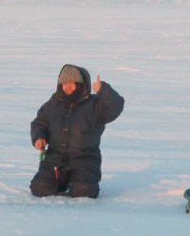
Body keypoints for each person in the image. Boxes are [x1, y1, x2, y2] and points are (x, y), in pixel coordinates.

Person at [30, 64, 124, 198]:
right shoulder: (53, 104)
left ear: (81, 84)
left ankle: (76, 182)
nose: (67, 87)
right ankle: (61, 182)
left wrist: (103, 90)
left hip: (85, 160)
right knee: (41, 188)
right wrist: (38, 137)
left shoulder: (94, 105)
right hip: (54, 159)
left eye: (72, 83)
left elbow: (115, 106)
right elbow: (40, 122)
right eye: (64, 83)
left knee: (84, 191)